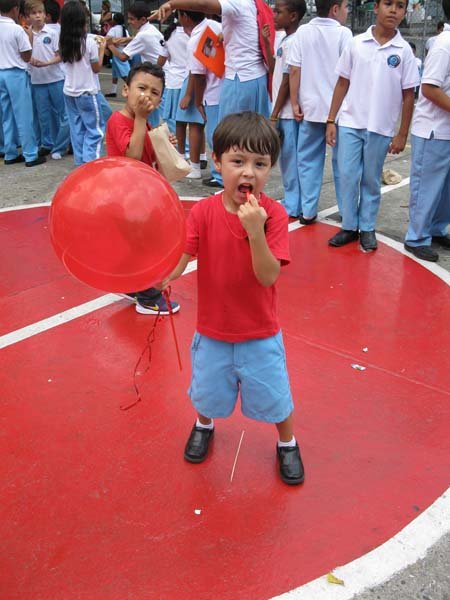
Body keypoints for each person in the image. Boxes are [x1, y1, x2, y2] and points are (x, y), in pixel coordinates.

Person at [163, 111, 305, 486]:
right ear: (217, 161)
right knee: (206, 392)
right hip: (212, 331)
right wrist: (162, 273)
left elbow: (268, 275)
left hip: (260, 333)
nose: (248, 173)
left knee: (276, 396)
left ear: (271, 168)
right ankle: (203, 424)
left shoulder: (273, 215)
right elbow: (182, 256)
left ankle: (287, 443)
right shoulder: (203, 212)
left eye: (260, 164)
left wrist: (255, 231)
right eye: (237, 161)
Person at [326, 0, 419, 252]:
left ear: (405, 12)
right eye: (388, 4)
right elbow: (342, 83)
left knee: (371, 179)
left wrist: (402, 134)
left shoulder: (403, 51)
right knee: (347, 176)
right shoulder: (356, 43)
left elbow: (408, 95)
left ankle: (367, 227)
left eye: (400, 6)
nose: (394, 10)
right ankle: (349, 225)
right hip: (350, 122)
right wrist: (331, 119)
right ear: (376, 7)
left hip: (380, 127)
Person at [105, 62, 181, 315]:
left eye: (154, 92)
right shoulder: (119, 120)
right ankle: (149, 297)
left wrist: (164, 143)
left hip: (142, 196)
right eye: (142, 88)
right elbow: (133, 158)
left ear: (160, 100)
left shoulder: (143, 122)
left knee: (139, 245)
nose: (147, 95)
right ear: (126, 90)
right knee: (147, 247)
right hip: (126, 197)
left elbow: (147, 152)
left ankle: (131, 284)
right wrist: (140, 118)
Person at [153, 0, 272, 121]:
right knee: (255, 128)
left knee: (232, 129)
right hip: (256, 77)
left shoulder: (236, 2)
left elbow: (202, 4)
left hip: (240, 79)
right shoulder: (249, 4)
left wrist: (172, 4)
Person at [288, 0, 351, 222]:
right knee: (343, 164)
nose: (347, 11)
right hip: (339, 111)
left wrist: (294, 102)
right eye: (346, 7)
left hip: (310, 108)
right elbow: (348, 75)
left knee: (307, 161)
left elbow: (294, 70)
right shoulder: (344, 34)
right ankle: (348, 213)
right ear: (335, 9)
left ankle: (308, 211)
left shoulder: (303, 32)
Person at [404, 0, 450, 262]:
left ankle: (436, 229)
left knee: (445, 191)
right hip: (433, 130)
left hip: (446, 129)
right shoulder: (444, 45)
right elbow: (430, 88)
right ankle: (417, 237)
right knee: (427, 188)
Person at [269, 0, 307, 217]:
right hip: (282, 110)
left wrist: (274, 114)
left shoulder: (293, 42)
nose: (274, 15)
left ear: (293, 16)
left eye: (278, 12)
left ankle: (294, 203)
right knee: (287, 158)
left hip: (287, 113)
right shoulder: (284, 39)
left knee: (291, 159)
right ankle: (293, 199)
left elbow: (286, 80)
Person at [59, 0, 105, 166]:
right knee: (95, 131)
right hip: (87, 92)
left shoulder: (63, 41)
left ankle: (81, 164)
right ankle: (91, 164)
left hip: (69, 91)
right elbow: (96, 68)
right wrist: (102, 49)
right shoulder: (89, 42)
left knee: (77, 129)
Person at [0, 0, 45, 166]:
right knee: (24, 115)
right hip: (16, 74)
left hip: (1, 72)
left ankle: (9, 152)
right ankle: (30, 154)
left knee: (6, 115)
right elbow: (26, 56)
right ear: (15, 9)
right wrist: (30, 37)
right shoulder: (16, 29)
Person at [107, 2, 164, 128]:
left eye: (132, 19)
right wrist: (127, 39)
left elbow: (123, 57)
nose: (129, 22)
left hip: (158, 77)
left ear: (143, 19)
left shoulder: (143, 35)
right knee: (152, 114)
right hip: (160, 76)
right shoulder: (151, 29)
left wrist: (109, 44)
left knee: (164, 117)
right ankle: (150, 136)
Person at [25, 0, 70, 160]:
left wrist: (46, 63)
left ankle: (62, 145)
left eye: (40, 12)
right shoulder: (26, 34)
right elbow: (23, 55)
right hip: (37, 81)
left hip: (56, 78)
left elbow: (60, 55)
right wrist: (30, 61)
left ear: (45, 15)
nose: (38, 16)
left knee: (64, 114)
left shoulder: (52, 33)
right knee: (43, 116)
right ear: (28, 17)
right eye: (34, 13)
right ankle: (47, 144)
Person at [157, 16, 189, 141]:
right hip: (192, 81)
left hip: (174, 82)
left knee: (173, 119)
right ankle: (196, 152)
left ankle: (182, 148)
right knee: (195, 124)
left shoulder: (169, 35)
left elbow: (160, 61)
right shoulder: (194, 32)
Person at [105, 12, 130, 97]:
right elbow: (128, 40)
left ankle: (132, 87)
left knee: (125, 74)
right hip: (123, 51)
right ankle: (113, 91)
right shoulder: (124, 29)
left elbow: (107, 39)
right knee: (115, 73)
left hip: (116, 53)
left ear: (115, 21)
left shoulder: (113, 29)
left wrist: (109, 46)